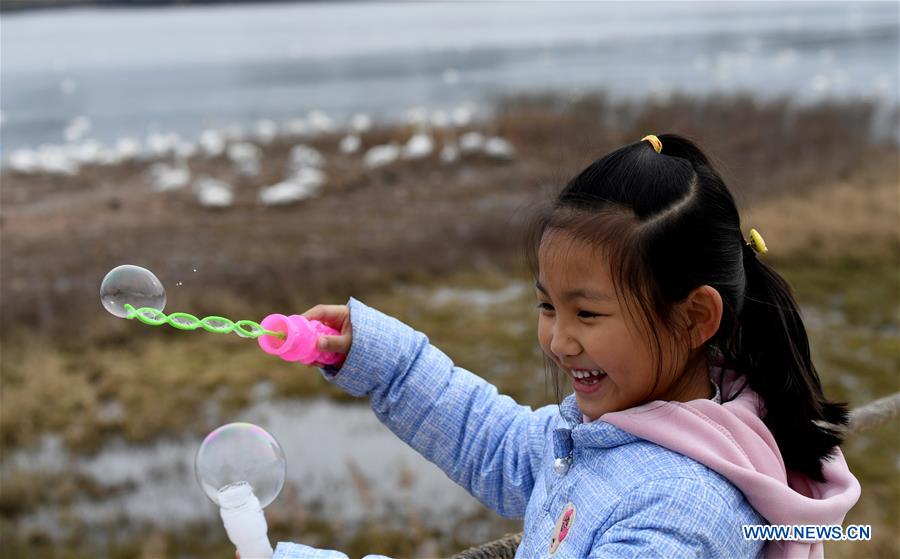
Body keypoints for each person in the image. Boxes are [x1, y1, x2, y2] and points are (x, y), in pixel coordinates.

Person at [266, 134, 860, 559]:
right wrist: (381, 359)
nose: (558, 340)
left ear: (694, 317)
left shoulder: (680, 510)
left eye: (588, 313)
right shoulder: (626, 426)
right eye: (547, 305)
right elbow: (492, 441)